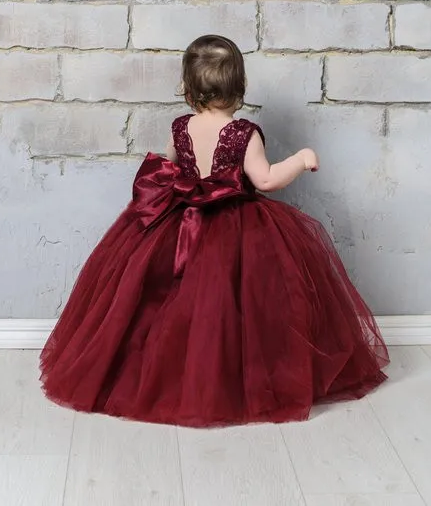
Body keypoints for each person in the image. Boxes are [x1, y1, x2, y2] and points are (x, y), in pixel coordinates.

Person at [40, 35, 388, 427]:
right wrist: (301, 158)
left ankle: (166, 375)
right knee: (240, 306)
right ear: (240, 87)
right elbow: (267, 179)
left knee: (166, 302)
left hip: (179, 222)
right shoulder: (244, 133)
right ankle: (231, 380)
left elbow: (166, 168)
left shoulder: (180, 127)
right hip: (234, 226)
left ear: (188, 90)